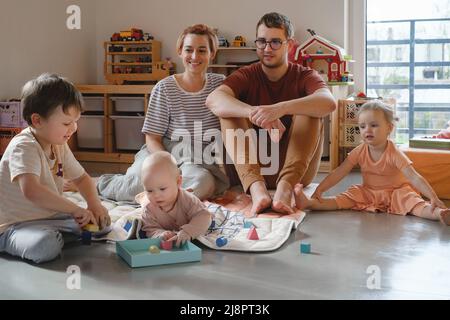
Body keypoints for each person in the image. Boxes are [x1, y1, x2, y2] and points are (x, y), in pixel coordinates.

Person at [206, 12, 336, 216]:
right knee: (229, 111)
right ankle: (258, 191)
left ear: (290, 44)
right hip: (249, 172)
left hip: (295, 172)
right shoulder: (247, 74)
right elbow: (213, 100)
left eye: (275, 42)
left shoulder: (305, 75)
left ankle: (284, 189)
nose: (267, 49)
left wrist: (281, 108)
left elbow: (328, 103)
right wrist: (253, 112)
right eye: (262, 41)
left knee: (309, 109)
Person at [97, 24, 229, 203]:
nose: (195, 56)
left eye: (202, 50)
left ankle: (162, 199)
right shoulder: (165, 87)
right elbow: (152, 138)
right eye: (189, 50)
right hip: (164, 150)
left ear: (212, 54)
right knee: (138, 183)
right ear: (180, 51)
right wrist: (167, 164)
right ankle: (101, 184)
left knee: (202, 182)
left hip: (198, 158)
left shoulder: (221, 84)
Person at [0, 73, 111, 263]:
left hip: (51, 217)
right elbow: (32, 191)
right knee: (45, 246)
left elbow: (82, 178)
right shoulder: (24, 146)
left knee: (102, 224)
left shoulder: (58, 143)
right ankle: (29, 240)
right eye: (67, 123)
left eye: (75, 121)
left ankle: (58, 235)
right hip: (14, 225)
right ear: (37, 121)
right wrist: (75, 209)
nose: (74, 128)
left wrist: (94, 204)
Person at [294, 100, 450, 225]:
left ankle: (439, 214)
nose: (367, 130)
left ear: (389, 128)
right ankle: (310, 203)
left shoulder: (394, 153)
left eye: (374, 125)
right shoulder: (360, 150)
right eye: (362, 126)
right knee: (343, 199)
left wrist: (433, 197)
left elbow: (414, 177)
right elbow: (340, 171)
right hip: (369, 192)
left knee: (416, 206)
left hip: (397, 192)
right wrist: (320, 189)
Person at [138, 151, 212, 247]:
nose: (156, 195)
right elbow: (149, 229)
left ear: (178, 182)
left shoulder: (188, 200)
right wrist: (159, 234)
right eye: (149, 190)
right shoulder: (148, 208)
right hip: (149, 207)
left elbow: (204, 216)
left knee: (202, 209)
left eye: (162, 189)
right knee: (145, 202)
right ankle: (143, 196)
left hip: (187, 218)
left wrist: (187, 232)